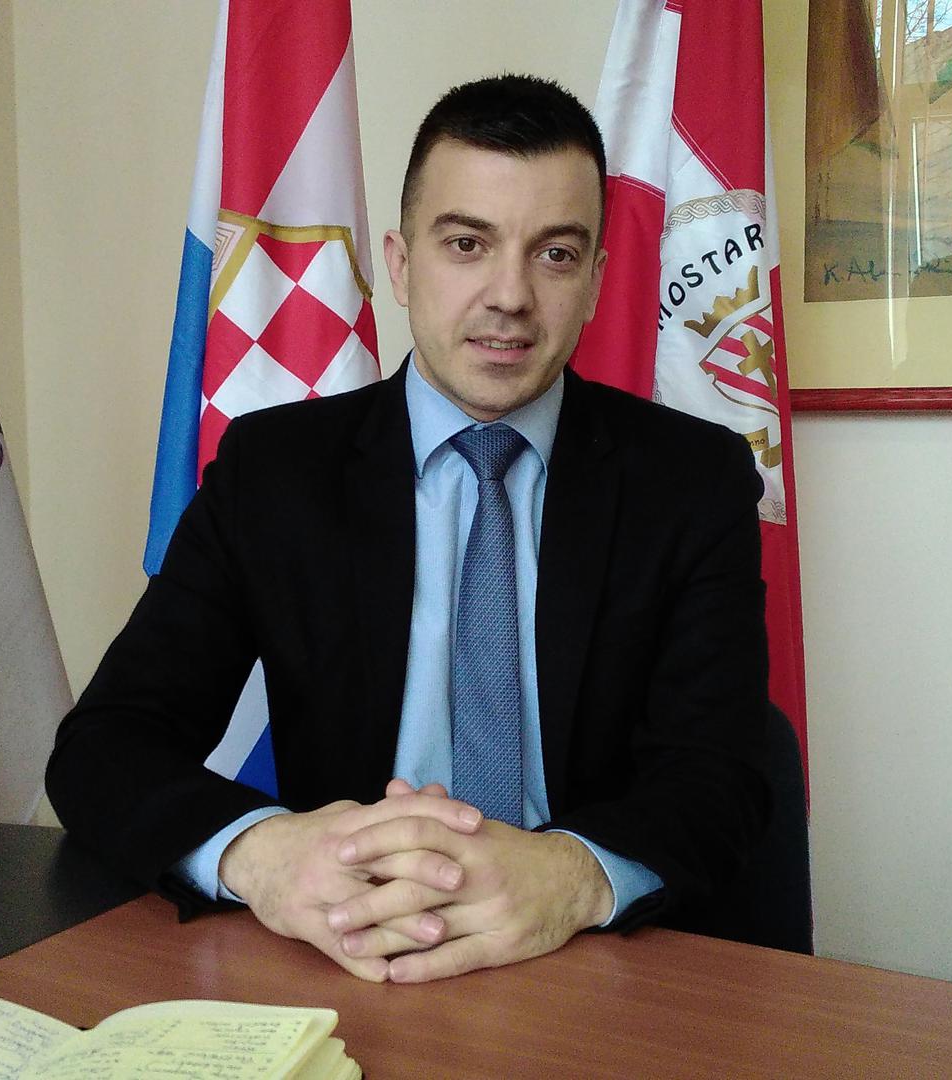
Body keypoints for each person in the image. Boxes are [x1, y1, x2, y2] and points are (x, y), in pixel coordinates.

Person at [48, 75, 779, 985]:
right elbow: (106, 745)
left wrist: (570, 877)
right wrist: (264, 856)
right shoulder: (274, 473)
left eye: (555, 255)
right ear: (399, 264)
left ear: (597, 280)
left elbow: (722, 779)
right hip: (351, 956)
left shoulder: (692, 481)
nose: (509, 296)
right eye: (467, 244)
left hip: (593, 964)